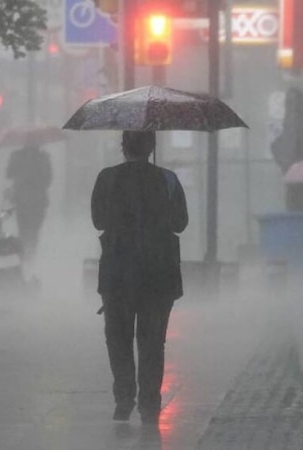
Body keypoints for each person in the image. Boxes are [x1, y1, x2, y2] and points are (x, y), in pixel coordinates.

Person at [90, 130, 188, 425]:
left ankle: (123, 399)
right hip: (159, 274)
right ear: (152, 147)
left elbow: (98, 221)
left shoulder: (106, 178)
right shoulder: (168, 179)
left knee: (118, 338)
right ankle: (149, 403)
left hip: (117, 273)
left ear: (123, 147)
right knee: (152, 340)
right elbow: (180, 223)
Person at [5, 144, 52, 263]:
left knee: (34, 231)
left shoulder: (43, 157)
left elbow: (48, 179)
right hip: (23, 200)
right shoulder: (17, 156)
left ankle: (30, 256)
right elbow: (9, 174)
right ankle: (24, 256)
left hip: (37, 201)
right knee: (24, 230)